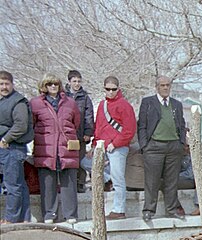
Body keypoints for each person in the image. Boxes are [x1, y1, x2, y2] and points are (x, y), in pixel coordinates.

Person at [30, 74, 81, 224]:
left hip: (66, 147)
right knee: (47, 182)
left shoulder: (70, 103)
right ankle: (49, 214)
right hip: (46, 148)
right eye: (49, 84)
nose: (53, 87)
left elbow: (76, 122)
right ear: (44, 86)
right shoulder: (35, 103)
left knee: (69, 181)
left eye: (55, 84)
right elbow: (31, 124)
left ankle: (70, 214)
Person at [137, 75, 187, 221]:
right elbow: (142, 125)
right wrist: (144, 145)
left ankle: (172, 209)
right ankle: (148, 210)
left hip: (173, 146)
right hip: (154, 146)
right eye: (162, 85)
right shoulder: (148, 102)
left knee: (172, 181)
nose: (165, 88)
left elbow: (182, 125)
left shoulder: (176, 104)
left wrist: (181, 142)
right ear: (157, 87)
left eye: (168, 85)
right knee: (152, 180)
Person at [93, 76, 136, 219]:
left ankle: (119, 209)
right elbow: (98, 126)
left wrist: (115, 143)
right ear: (104, 89)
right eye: (107, 89)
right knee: (88, 166)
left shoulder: (125, 105)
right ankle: (107, 181)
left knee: (118, 179)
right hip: (102, 147)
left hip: (117, 147)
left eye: (113, 89)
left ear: (118, 89)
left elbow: (129, 130)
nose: (110, 92)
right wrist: (95, 145)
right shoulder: (101, 105)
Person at [0, 71, 34, 224]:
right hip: (6, 148)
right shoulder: (4, 100)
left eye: (7, 84)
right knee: (19, 184)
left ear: (12, 84)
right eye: (1, 84)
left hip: (12, 147)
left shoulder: (18, 101)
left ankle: (11, 219)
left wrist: (6, 138)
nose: (4, 87)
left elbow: (21, 125)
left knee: (13, 185)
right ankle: (24, 218)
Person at [64, 70, 94, 193]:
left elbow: (89, 116)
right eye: (74, 81)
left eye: (79, 81)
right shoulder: (63, 96)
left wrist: (88, 132)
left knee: (80, 160)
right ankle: (68, 185)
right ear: (69, 82)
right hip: (66, 136)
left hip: (80, 134)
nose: (77, 84)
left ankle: (80, 184)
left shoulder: (85, 97)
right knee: (68, 160)